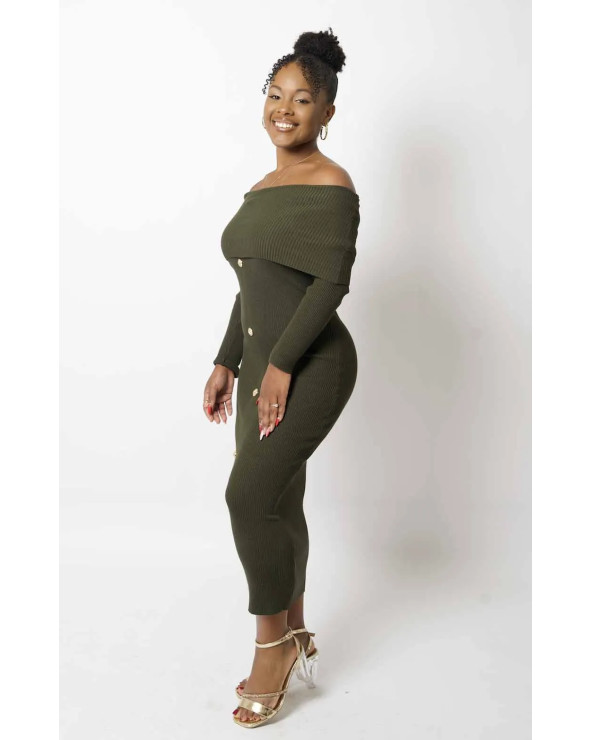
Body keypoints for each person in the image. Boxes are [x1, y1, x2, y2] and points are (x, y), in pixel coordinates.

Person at [203, 27, 360, 728]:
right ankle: (296, 630)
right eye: (275, 94)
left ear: (327, 111)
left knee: (248, 495)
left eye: (302, 98)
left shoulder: (332, 184)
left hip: (312, 364)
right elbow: (254, 284)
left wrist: (281, 366)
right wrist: (227, 360)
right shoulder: (263, 187)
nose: (284, 109)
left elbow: (329, 284)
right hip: (262, 363)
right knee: (279, 498)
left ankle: (271, 647)